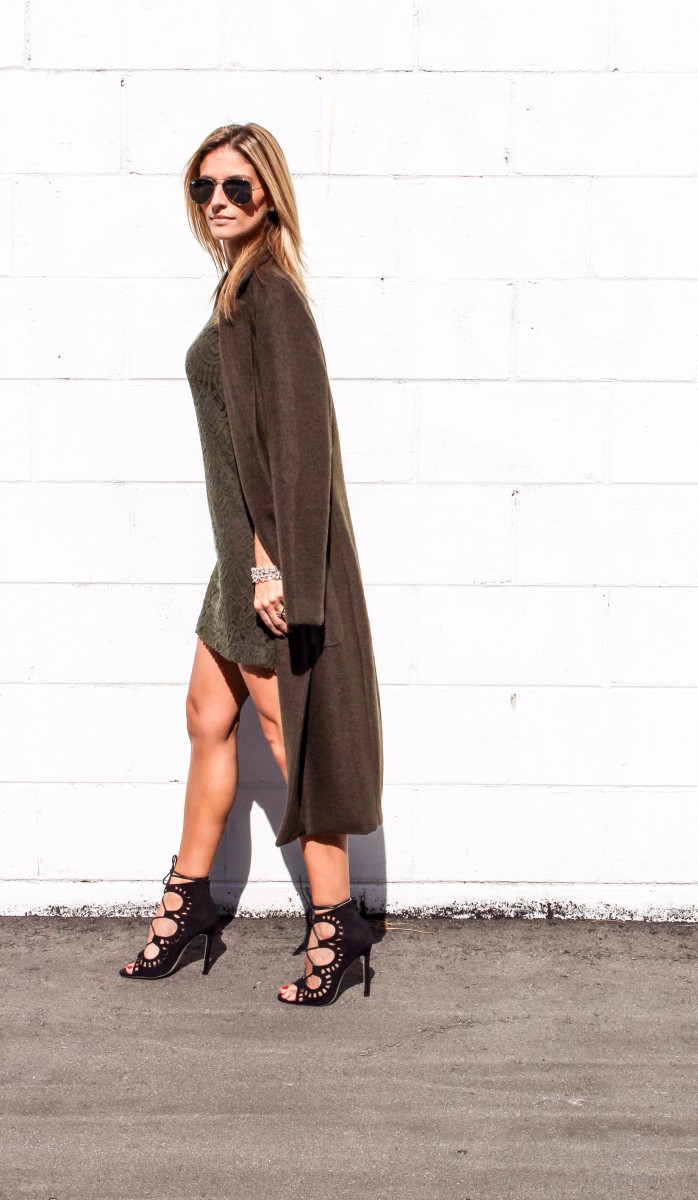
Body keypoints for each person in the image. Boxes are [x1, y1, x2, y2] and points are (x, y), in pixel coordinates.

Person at [119, 123, 384, 1007]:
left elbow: (299, 451)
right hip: (237, 558)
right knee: (206, 716)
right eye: (205, 187)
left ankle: (337, 924)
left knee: (286, 736)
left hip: (265, 565)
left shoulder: (271, 295)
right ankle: (188, 903)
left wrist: (274, 568)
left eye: (237, 186)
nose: (219, 201)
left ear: (268, 194)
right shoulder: (236, 288)